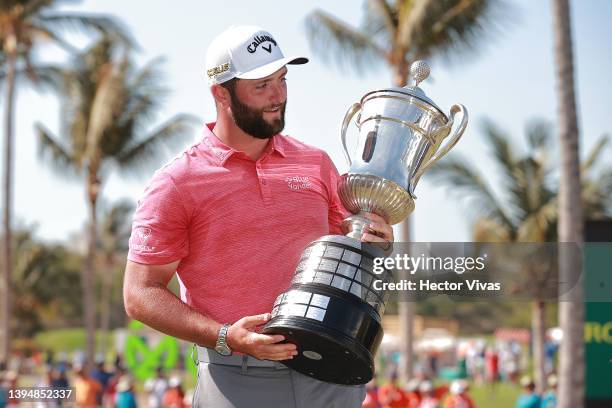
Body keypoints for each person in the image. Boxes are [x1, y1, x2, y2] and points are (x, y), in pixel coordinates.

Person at [123, 24, 393, 408]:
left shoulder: (315, 163)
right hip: (236, 377)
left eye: (282, 80)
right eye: (261, 85)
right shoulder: (177, 182)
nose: (278, 96)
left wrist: (375, 240)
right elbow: (140, 293)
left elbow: (350, 251)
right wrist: (224, 336)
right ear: (221, 93)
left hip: (330, 374)